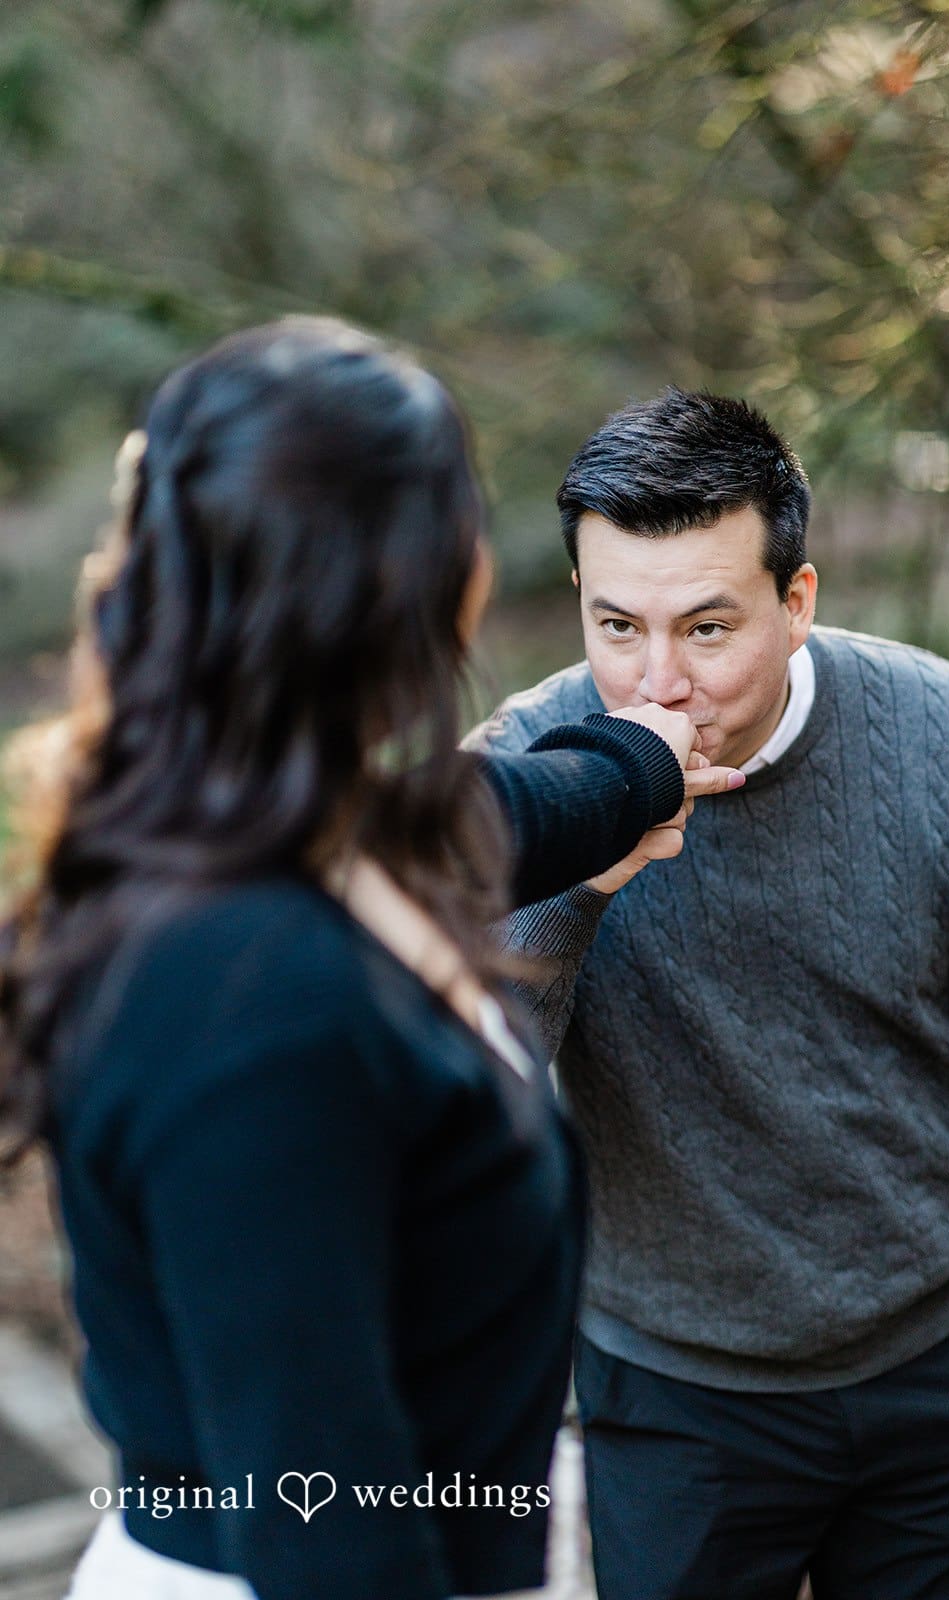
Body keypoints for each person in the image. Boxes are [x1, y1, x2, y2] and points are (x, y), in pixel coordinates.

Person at [0, 323, 744, 1600]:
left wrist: (640, 760)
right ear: (419, 580)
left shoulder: (292, 829)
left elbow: (503, 812)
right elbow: (325, 1521)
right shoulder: (252, 999)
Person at [467, 387, 949, 1600]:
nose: (657, 683)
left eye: (704, 626)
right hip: (674, 1391)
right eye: (615, 624)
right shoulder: (527, 766)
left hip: (942, 1360)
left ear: (796, 603)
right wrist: (578, 886)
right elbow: (471, 1080)